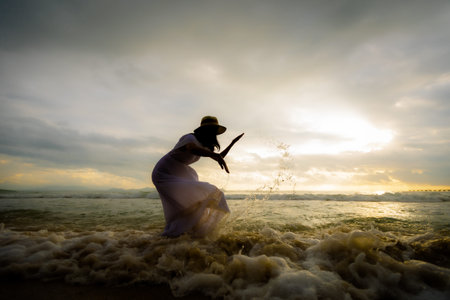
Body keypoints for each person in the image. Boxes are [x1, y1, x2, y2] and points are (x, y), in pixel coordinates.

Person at [152, 116, 244, 237]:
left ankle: (186, 232)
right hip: (165, 171)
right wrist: (216, 156)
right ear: (202, 130)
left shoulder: (204, 146)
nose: (211, 133)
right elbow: (191, 148)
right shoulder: (190, 138)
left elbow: (219, 155)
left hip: (181, 172)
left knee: (192, 204)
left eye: (213, 131)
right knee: (209, 192)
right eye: (209, 129)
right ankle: (176, 232)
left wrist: (232, 143)